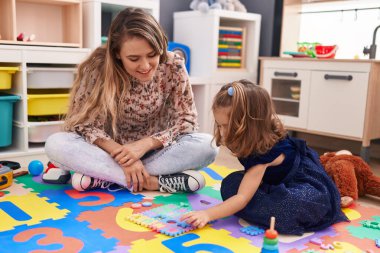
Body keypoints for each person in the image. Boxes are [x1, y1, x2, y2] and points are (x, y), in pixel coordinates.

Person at [45, 7, 218, 193]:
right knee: (56, 144)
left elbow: (187, 121)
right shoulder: (97, 68)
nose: (145, 66)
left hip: (156, 152)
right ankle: (152, 182)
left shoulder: (173, 64)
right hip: (107, 153)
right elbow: (83, 125)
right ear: (117, 53)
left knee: (208, 145)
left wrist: (145, 145)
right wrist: (123, 157)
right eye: (134, 58)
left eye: (152, 55)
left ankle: (104, 177)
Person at [180, 79, 348, 235]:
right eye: (219, 125)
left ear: (250, 125)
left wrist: (208, 214)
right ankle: (270, 196)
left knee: (290, 206)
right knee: (230, 185)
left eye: (227, 126)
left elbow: (243, 198)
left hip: (304, 184)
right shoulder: (258, 136)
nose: (222, 132)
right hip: (275, 182)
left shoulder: (263, 153)